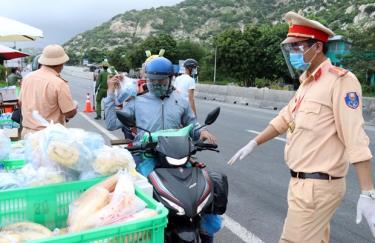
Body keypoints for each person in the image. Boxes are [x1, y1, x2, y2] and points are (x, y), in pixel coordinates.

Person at [228, 11, 375, 243]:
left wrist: (368, 192)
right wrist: (254, 142)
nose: (292, 52)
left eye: (296, 46)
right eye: (289, 48)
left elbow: (355, 137)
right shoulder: (307, 83)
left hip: (318, 187)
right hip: (301, 184)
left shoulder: (341, 81)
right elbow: (284, 120)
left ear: (317, 47)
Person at [104, 57, 218, 242]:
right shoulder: (137, 102)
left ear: (170, 79)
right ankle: (142, 233)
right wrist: (110, 94)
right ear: (147, 80)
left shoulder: (180, 100)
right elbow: (110, 124)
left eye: (161, 82)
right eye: (153, 81)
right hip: (148, 156)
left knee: (205, 191)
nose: (156, 85)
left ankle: (205, 233)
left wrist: (202, 132)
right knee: (141, 196)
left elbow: (192, 125)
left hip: (177, 156)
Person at [20, 44, 77, 137]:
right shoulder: (59, 83)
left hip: (27, 134)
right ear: (61, 63)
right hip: (49, 137)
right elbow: (69, 113)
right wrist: (74, 106)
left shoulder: (27, 78)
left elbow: (20, 103)